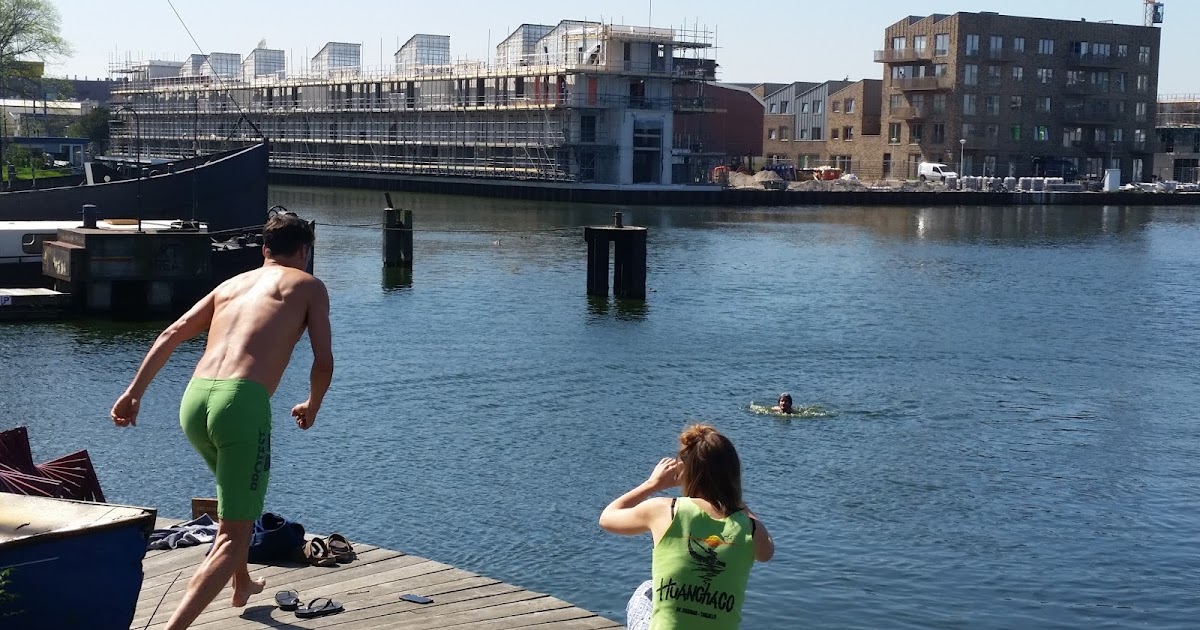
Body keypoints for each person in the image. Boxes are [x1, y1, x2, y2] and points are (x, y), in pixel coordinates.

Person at [110, 213, 333, 630]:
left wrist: (133, 392)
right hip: (241, 404)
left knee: (236, 506)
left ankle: (242, 583)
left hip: (195, 401)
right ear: (304, 251)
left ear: (264, 249)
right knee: (232, 537)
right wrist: (312, 404)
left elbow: (171, 334)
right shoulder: (307, 286)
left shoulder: (230, 285)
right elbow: (322, 362)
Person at [599, 424, 774, 629]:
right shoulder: (752, 530)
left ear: (684, 470)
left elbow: (607, 518)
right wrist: (733, 497)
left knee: (645, 591)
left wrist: (651, 484)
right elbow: (767, 552)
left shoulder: (666, 510)